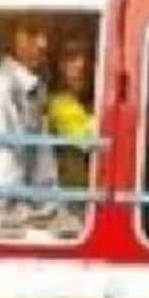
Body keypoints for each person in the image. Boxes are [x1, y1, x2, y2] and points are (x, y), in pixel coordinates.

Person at [0, 15, 69, 234]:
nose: (43, 43)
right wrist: (29, 215)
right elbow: (1, 169)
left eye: (46, 34)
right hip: (1, 220)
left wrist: (51, 206)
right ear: (9, 38)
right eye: (31, 34)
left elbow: (43, 164)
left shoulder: (35, 89)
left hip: (28, 212)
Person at [44, 38, 97, 190]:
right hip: (71, 199)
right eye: (71, 57)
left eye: (88, 57)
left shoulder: (88, 102)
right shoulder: (59, 103)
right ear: (59, 66)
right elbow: (88, 139)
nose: (81, 65)